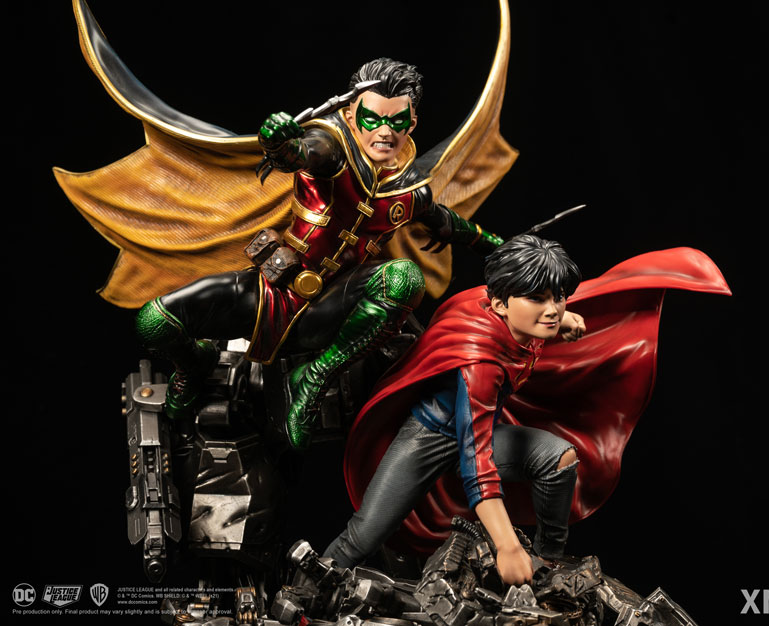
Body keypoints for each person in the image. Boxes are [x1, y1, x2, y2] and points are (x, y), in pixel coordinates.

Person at [134, 58, 509, 449]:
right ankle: (194, 365)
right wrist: (279, 144)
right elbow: (301, 153)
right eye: (372, 118)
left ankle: (313, 378)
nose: (384, 132)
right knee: (154, 322)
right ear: (350, 115)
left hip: (337, 306)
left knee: (404, 278)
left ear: (412, 122)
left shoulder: (411, 190)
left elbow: (446, 222)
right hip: (274, 290)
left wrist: (498, 246)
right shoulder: (331, 148)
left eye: (397, 121)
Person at [324, 233, 586, 584]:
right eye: (538, 299)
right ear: (499, 305)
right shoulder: (482, 366)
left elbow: (537, 309)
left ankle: (548, 561)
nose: (552, 309)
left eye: (559, 297)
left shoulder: (515, 313)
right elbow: (476, 463)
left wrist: (560, 319)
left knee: (559, 458)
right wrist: (507, 546)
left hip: (481, 428)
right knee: (364, 535)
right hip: (429, 436)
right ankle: (304, 589)